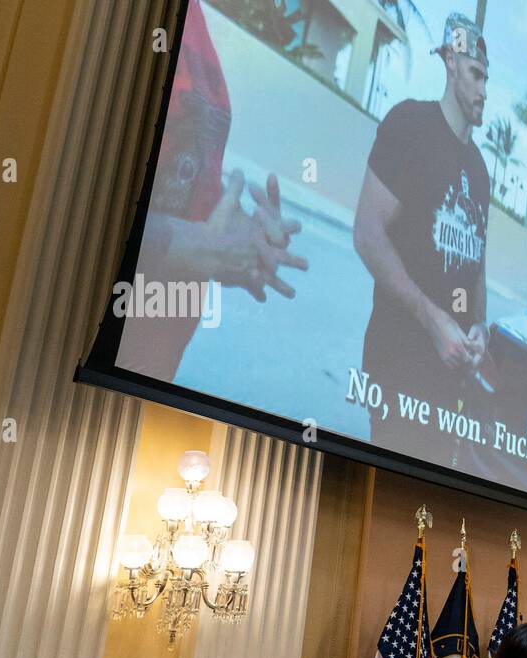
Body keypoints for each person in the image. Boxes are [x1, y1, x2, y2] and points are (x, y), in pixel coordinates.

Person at [116, 0, 307, 381]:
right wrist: (192, 245)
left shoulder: (195, 20)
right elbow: (59, 196)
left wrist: (242, 234)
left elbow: (179, 174)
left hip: (147, 372)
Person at [354, 12, 491, 465]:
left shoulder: (480, 171)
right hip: (398, 373)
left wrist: (480, 329)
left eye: (487, 79)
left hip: (450, 389)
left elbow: (478, 267)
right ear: (451, 62)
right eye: (475, 74)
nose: (484, 90)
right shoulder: (409, 125)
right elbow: (367, 233)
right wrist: (433, 322)